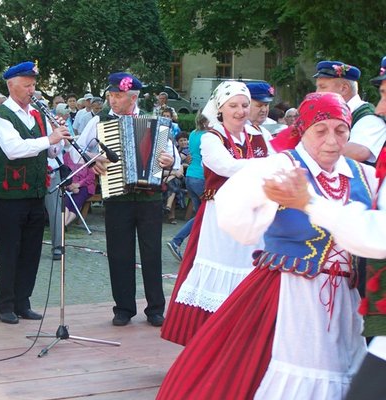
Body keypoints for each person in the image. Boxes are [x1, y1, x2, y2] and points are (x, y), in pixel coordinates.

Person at [157, 92, 376, 399]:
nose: (331, 141)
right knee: (285, 368)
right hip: (291, 293)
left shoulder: (364, 175)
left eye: (341, 130)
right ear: (303, 130)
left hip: (348, 299)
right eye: (321, 130)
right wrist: (262, 226)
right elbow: (232, 211)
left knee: (342, 368)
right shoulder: (278, 167)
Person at [261, 146, 386, 400]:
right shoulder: (282, 163)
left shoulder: (360, 172)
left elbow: (376, 234)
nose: (380, 105)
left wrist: (309, 203)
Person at [160, 81, 269, 345]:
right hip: (221, 217)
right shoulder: (212, 137)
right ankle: (208, 339)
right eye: (233, 106)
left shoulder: (259, 133)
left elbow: (281, 157)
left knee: (248, 270)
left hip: (253, 216)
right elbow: (225, 166)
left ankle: (240, 338)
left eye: (245, 105)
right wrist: (268, 166)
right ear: (220, 109)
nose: (240, 111)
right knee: (219, 275)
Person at [76, 72, 177, 327]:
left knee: (152, 253)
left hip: (149, 198)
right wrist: (94, 161)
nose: (111, 99)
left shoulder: (155, 122)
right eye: (110, 94)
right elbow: (77, 152)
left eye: (116, 96)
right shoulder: (99, 121)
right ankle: (123, 308)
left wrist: (169, 161)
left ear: (132, 98)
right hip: (117, 196)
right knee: (119, 252)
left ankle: (155, 309)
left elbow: (173, 159)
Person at [0, 61, 70, 324]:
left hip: (35, 192)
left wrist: (60, 139)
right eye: (26, 85)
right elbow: (14, 149)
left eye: (33, 85)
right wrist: (50, 139)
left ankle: (24, 302)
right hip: (9, 195)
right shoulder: (0, 116)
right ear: (11, 86)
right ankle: (6, 305)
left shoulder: (37, 113)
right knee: (10, 251)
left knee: (32, 251)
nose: (32, 90)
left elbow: (51, 152)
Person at [315, 60, 386, 164]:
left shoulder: (369, 116)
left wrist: (307, 151)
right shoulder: (330, 116)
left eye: (322, 87)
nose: (317, 92)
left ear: (344, 89)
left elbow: (358, 152)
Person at [166, 110, 207, 261]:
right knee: (205, 216)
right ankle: (177, 241)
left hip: (191, 176)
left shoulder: (194, 134)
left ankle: (194, 251)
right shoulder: (208, 136)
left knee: (201, 216)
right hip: (202, 178)